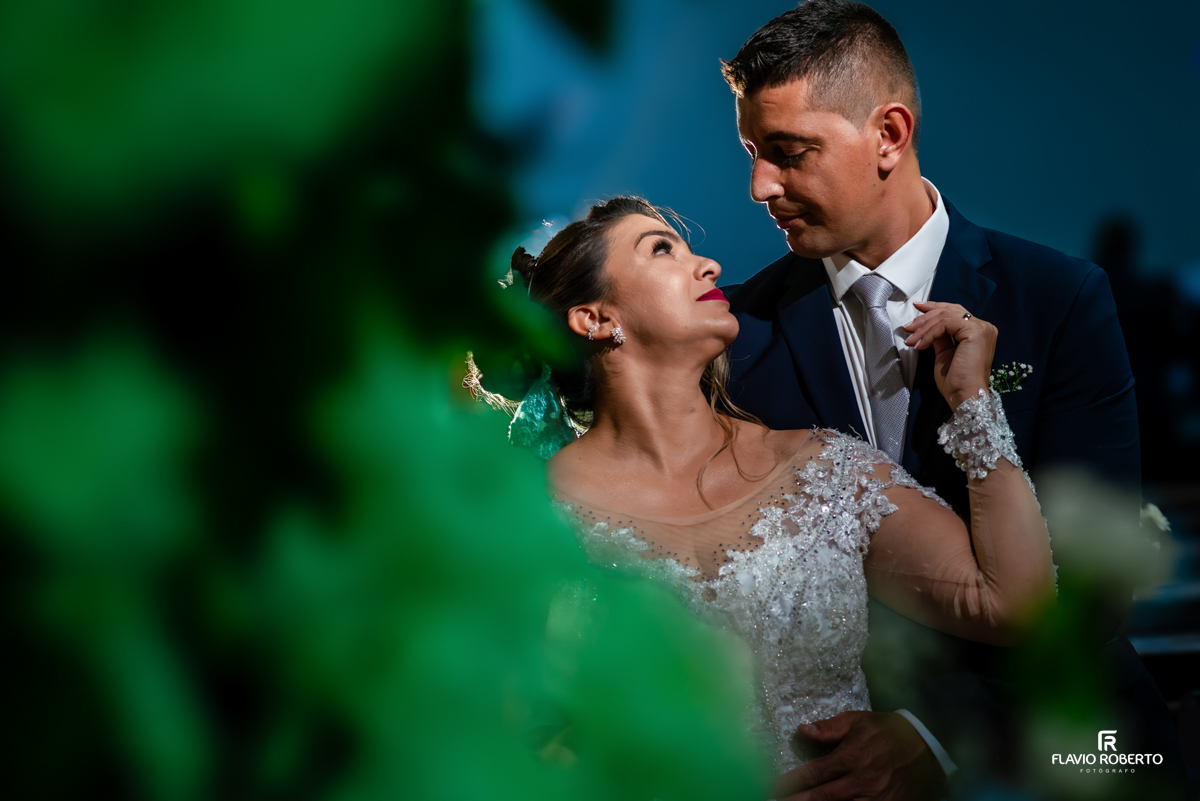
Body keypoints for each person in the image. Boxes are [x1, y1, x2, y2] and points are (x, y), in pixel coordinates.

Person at [718, 1, 1191, 798]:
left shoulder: (1059, 298)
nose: (761, 184)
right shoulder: (740, 333)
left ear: (890, 135)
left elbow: (1094, 579)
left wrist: (932, 732)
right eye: (752, 153)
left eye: (789, 153)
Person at [508, 195, 1055, 795]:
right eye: (662, 249)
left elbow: (1015, 605)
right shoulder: (528, 519)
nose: (709, 265)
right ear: (594, 318)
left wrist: (972, 401)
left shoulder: (824, 470)